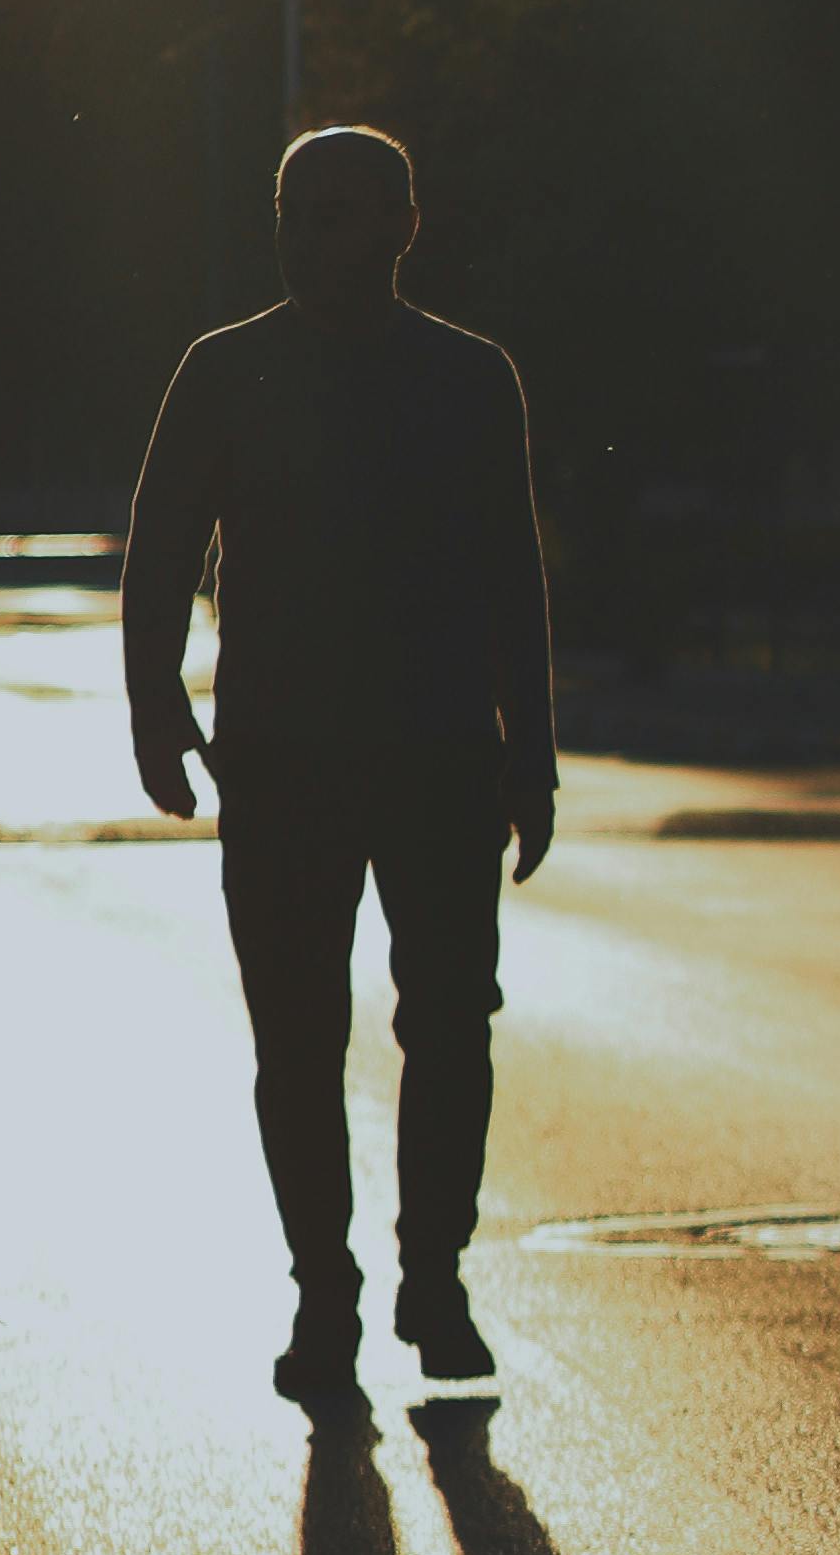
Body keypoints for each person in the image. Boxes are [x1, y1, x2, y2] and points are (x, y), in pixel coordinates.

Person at [122, 125, 556, 1398]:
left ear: (402, 228)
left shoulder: (472, 379)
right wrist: (157, 710)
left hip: (437, 758)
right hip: (283, 761)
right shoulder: (225, 372)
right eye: (293, 211)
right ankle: (327, 1296)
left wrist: (529, 757)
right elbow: (157, 548)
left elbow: (512, 580)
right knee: (298, 1041)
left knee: (452, 1026)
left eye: (339, 213)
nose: (309, 236)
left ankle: (436, 1277)